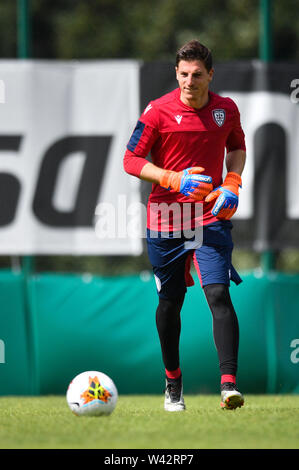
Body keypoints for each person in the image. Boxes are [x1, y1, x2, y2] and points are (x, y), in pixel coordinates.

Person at [123, 39, 246, 411]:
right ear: (176, 74)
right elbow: (131, 159)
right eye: (183, 74)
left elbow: (237, 148)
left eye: (196, 74)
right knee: (170, 303)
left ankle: (228, 385)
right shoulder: (157, 111)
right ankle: (173, 381)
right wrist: (173, 179)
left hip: (209, 216)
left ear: (210, 74)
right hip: (167, 217)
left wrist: (232, 182)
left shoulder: (226, 110)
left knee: (219, 294)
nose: (189, 81)